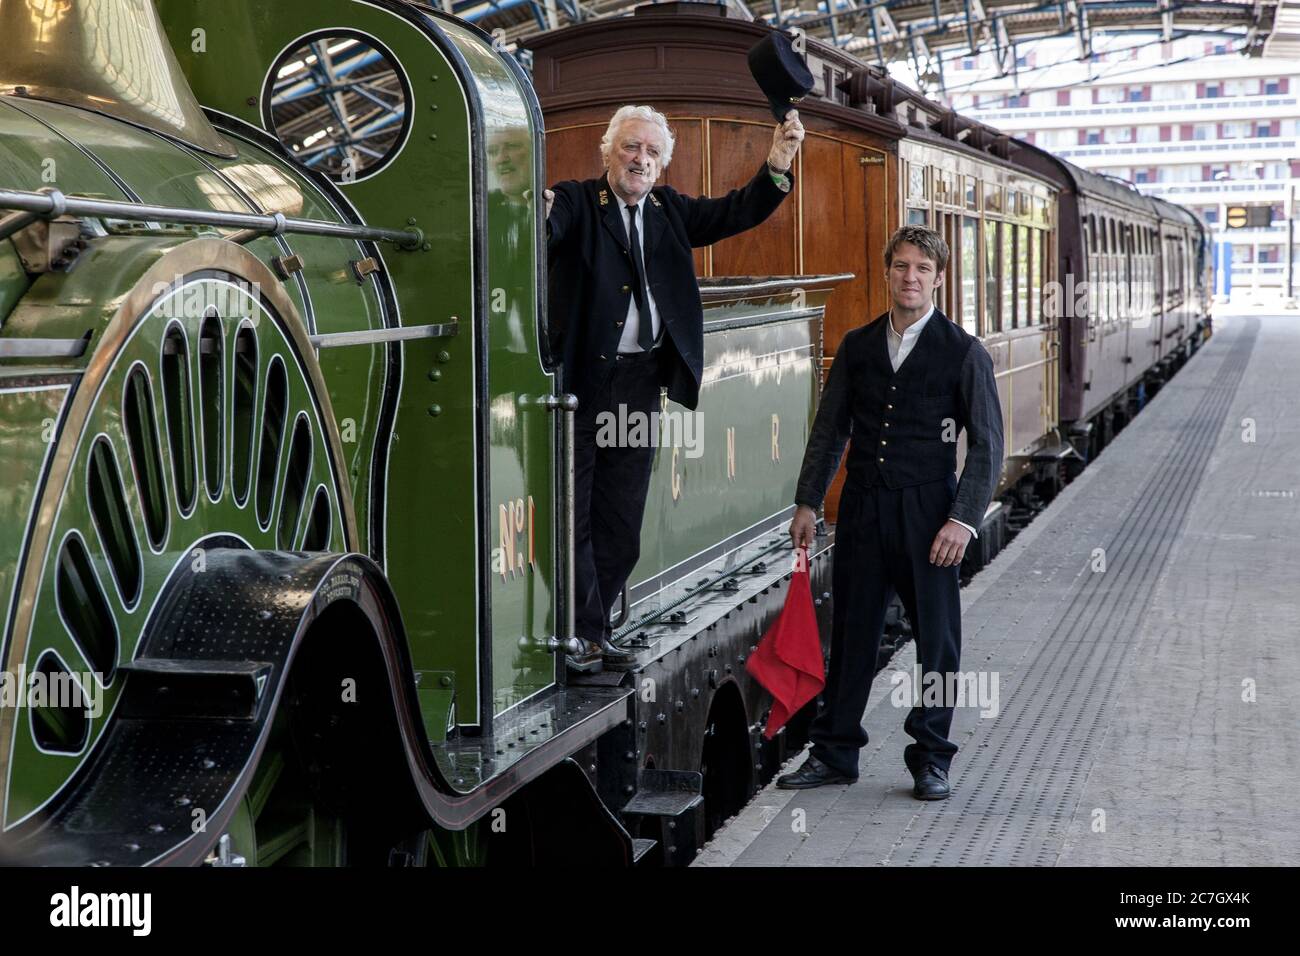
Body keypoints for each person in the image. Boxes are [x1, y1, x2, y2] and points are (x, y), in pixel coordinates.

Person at [544, 104, 804, 669]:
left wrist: (777, 164)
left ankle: (590, 627)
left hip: (638, 383)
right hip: (581, 385)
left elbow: (735, 212)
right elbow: (549, 224)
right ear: (607, 150)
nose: (641, 160)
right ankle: (585, 635)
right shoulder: (576, 200)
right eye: (632, 147)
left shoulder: (667, 210)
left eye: (652, 153)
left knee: (621, 522)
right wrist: (535, 213)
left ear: (662, 165)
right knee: (575, 514)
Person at [778, 225, 1004, 799]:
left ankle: (931, 757)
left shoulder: (963, 352)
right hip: (863, 507)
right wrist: (808, 499)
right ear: (887, 273)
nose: (910, 277)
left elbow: (988, 444)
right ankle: (835, 754)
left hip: (931, 514)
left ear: (939, 279)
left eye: (922, 269)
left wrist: (963, 518)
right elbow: (830, 429)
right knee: (853, 631)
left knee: (938, 640)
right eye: (901, 266)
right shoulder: (857, 346)